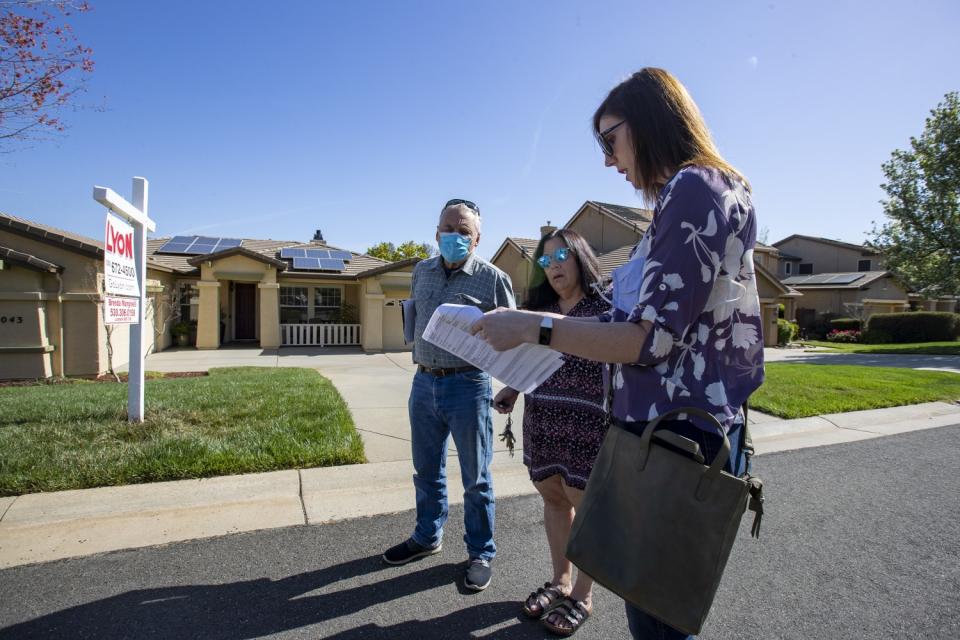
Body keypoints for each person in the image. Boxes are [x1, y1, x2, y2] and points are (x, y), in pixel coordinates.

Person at [470, 67, 765, 639]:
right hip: (688, 433)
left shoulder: (693, 188)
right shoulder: (719, 189)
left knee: (653, 618)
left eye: (610, 140)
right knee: (659, 608)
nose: (608, 160)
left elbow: (646, 340)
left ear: (651, 122)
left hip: (671, 439)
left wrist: (535, 326)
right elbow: (644, 322)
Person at [382, 198, 516, 593]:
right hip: (424, 383)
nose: (454, 236)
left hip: (468, 385)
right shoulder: (421, 271)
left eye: (463, 231)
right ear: (435, 233)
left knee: (476, 479)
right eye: (447, 229)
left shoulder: (494, 278)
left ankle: (480, 552)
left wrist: (512, 384)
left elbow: (515, 335)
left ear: (476, 240)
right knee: (426, 471)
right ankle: (427, 537)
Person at [492, 229, 607, 636]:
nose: (554, 265)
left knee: (584, 508)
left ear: (580, 257)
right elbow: (530, 363)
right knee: (555, 499)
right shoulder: (536, 309)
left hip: (587, 425)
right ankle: (560, 580)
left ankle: (582, 595)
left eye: (562, 256)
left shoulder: (605, 309)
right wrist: (512, 388)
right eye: (546, 260)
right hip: (542, 420)